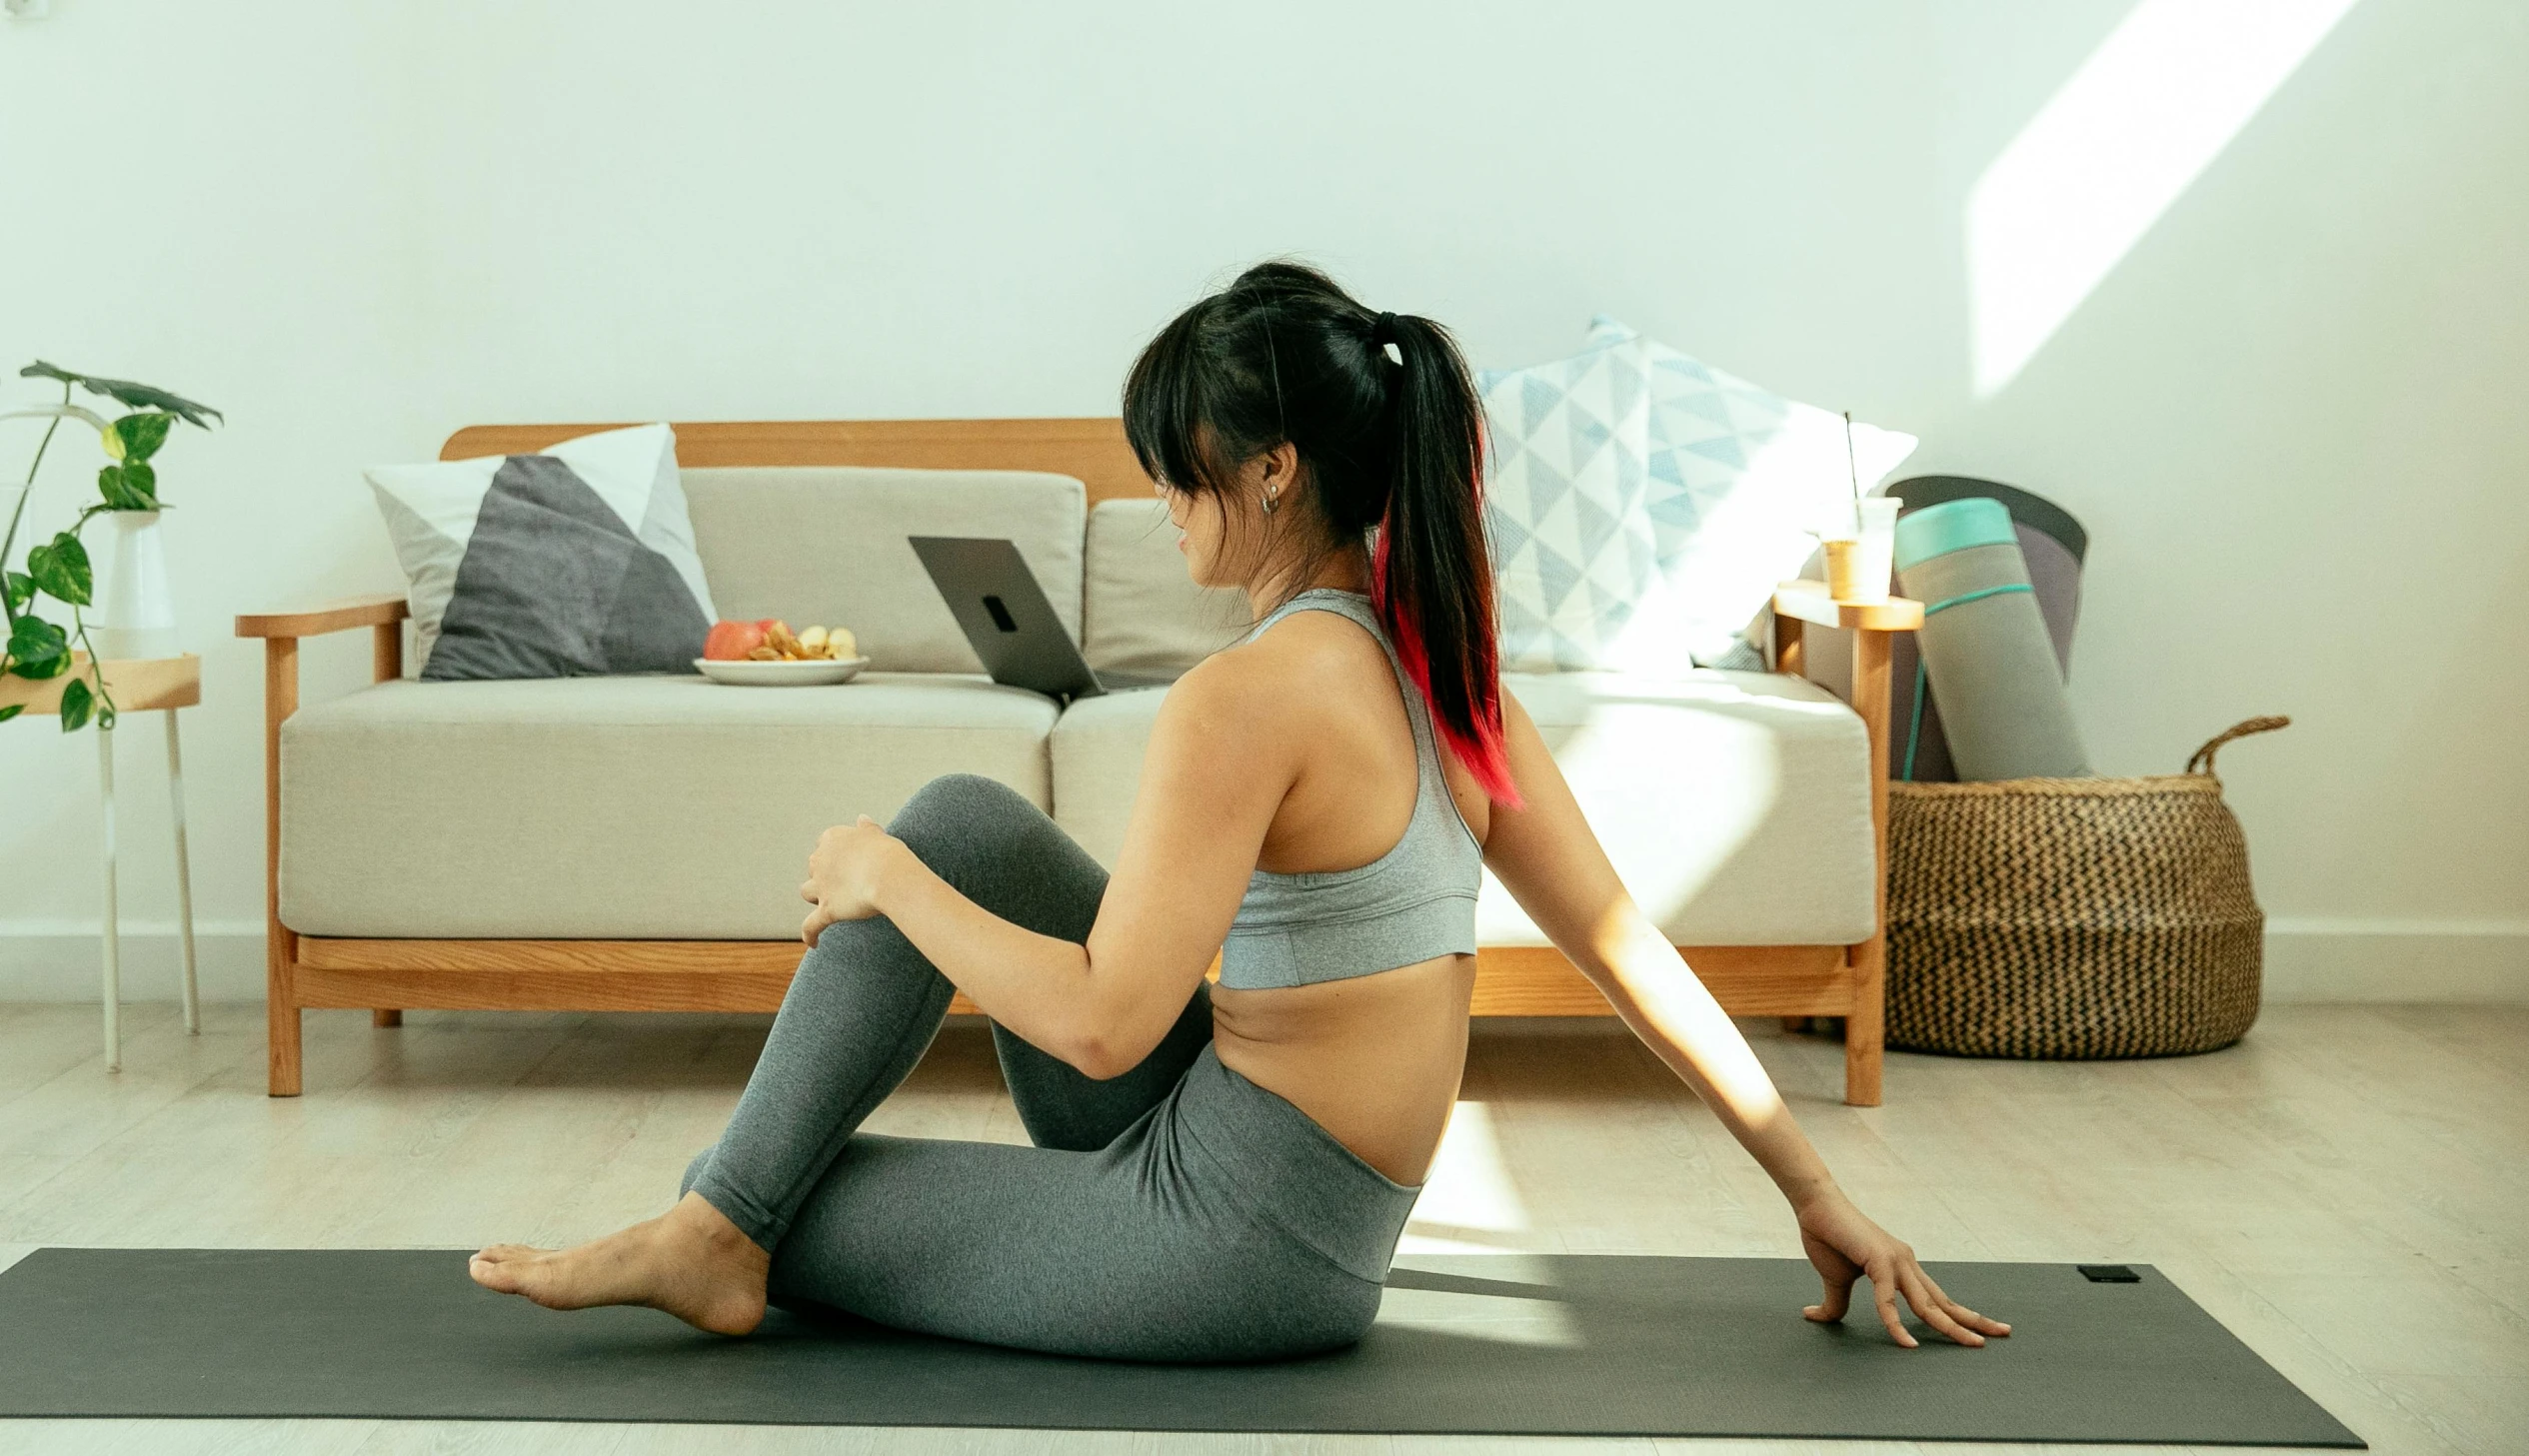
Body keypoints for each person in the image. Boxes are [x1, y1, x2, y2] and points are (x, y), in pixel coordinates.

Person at [469, 261, 2010, 1362]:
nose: (1161, 505)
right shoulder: (1443, 670)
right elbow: (1628, 953)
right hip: (1249, 1160)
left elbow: (1095, 1029)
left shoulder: (1250, 698)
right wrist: (1815, 1192)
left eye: (1180, 476)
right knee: (959, 814)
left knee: (779, 1176)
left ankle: (716, 1236)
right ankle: (717, 1230)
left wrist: (877, 876)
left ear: (1272, 471)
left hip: (1230, 1252)